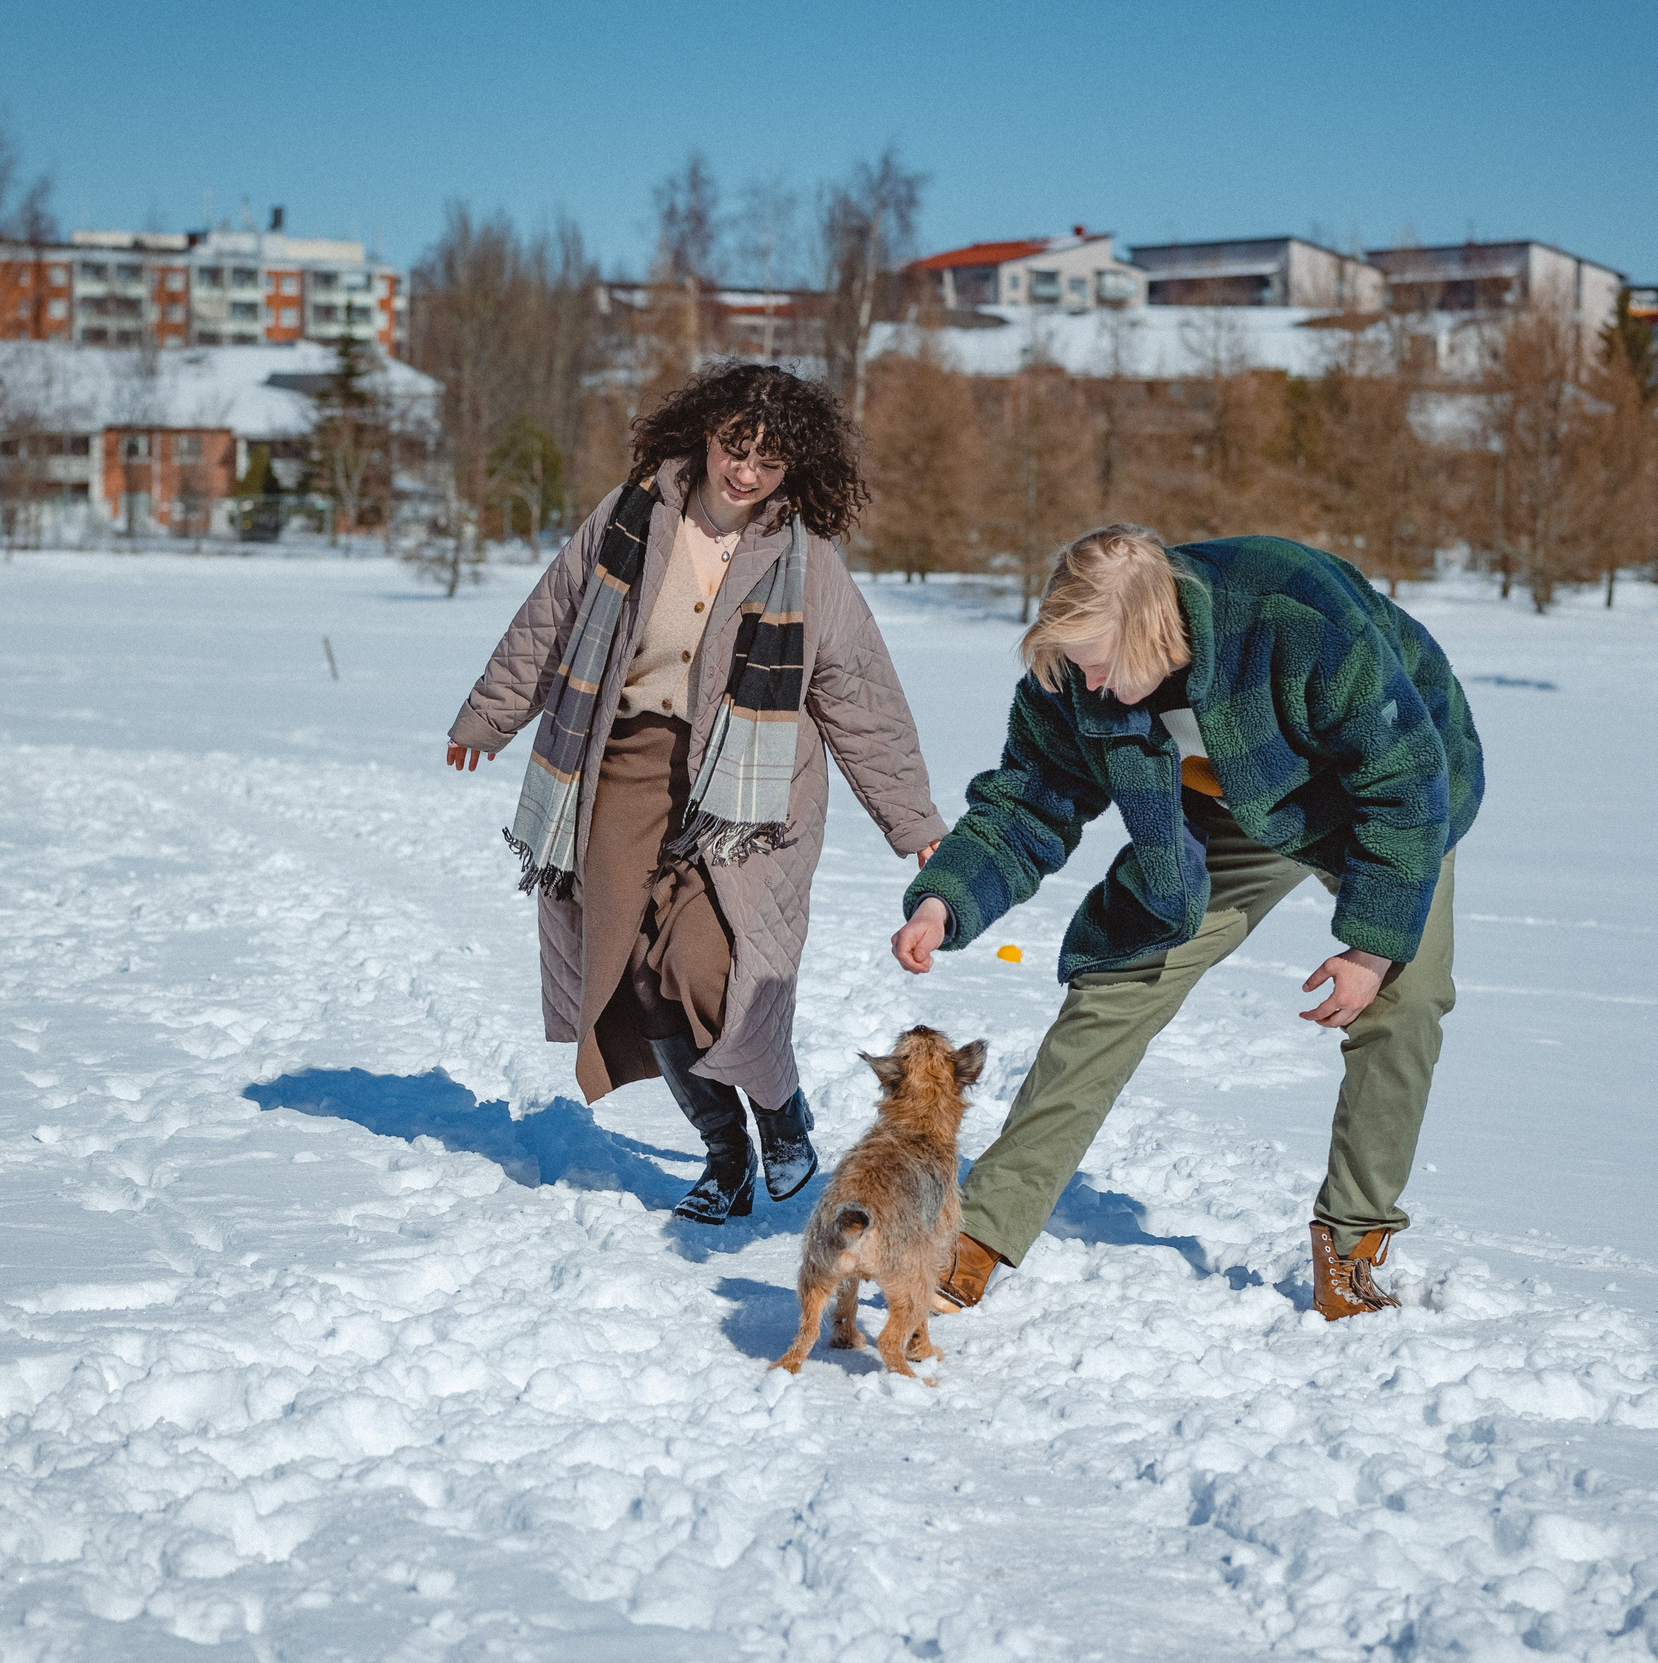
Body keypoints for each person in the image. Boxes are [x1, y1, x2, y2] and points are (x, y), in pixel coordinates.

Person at [892, 524, 1482, 1318]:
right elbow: (1029, 799)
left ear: (1150, 628)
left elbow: (1404, 779)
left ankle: (1350, 1246)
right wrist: (945, 898)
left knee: (1402, 998)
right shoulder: (1075, 673)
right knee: (1119, 983)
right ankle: (977, 1235)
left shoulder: (1292, 617)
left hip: (1380, 803)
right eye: (1075, 664)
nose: (1087, 683)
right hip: (1222, 806)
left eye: (1098, 662)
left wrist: (1371, 948)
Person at [451, 363, 946, 1224]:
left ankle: (781, 1113)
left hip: (747, 793)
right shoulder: (633, 515)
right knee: (635, 970)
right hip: (622, 768)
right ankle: (725, 1156)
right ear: (705, 435)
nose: (745, 471)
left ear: (798, 467)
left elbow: (860, 698)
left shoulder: (805, 561)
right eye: (734, 447)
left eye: (769, 458)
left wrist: (913, 824)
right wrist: (489, 716)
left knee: (709, 964)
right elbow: (553, 616)